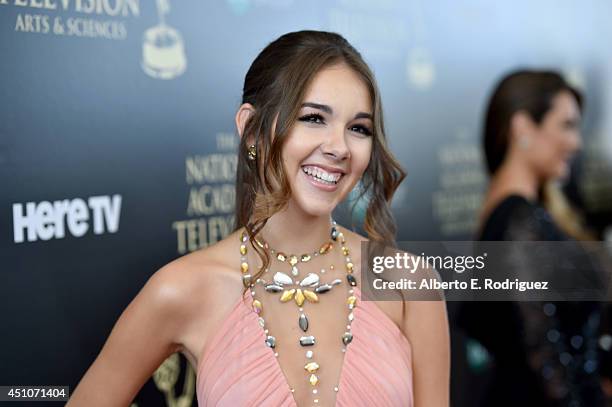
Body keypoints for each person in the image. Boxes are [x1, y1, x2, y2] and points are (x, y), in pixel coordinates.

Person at [68, 30, 450, 407]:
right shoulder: (182, 289)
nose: (339, 147)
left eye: (358, 128)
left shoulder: (409, 282)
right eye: (314, 118)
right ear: (252, 130)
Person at [459, 70, 604, 406]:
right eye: (566, 125)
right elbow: (543, 359)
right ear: (523, 127)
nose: (576, 142)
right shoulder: (518, 221)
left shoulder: (515, 217)